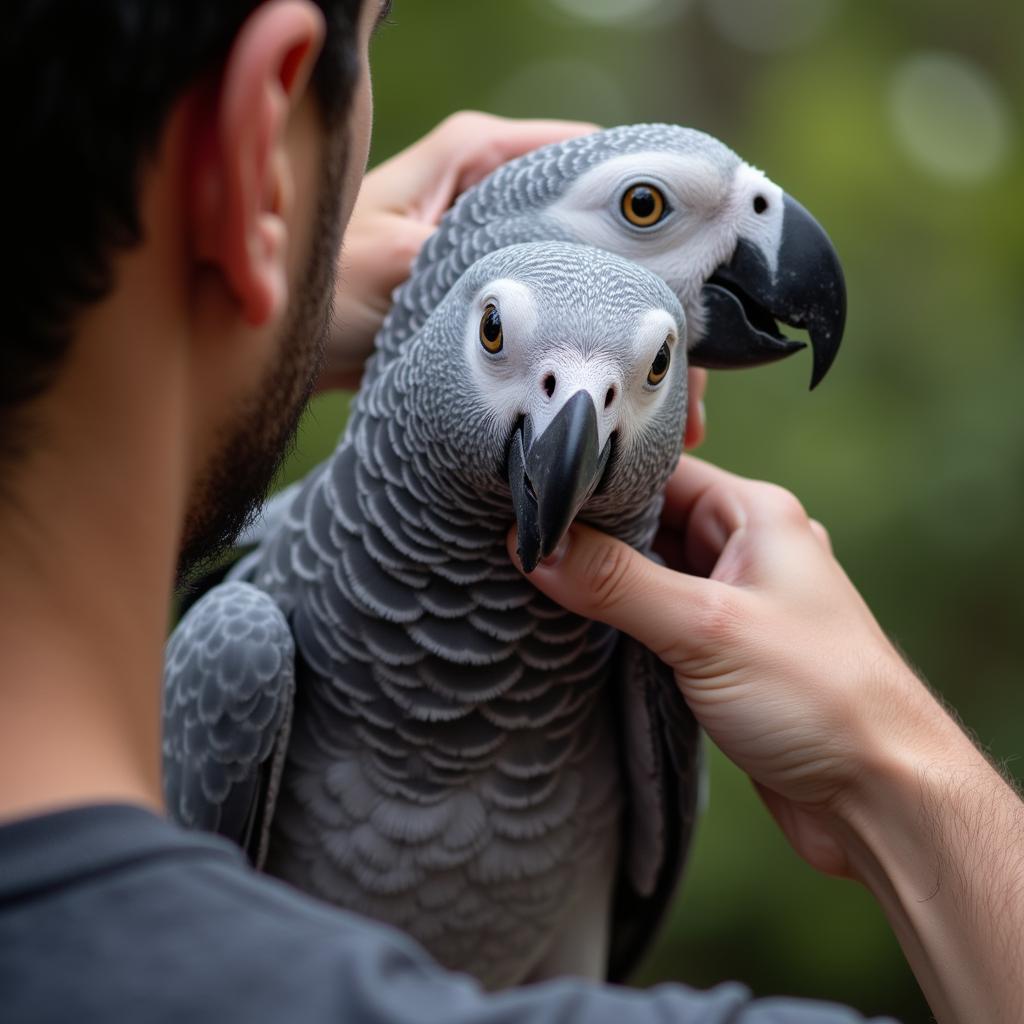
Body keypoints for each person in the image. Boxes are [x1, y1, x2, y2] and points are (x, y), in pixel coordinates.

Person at [0, 1, 1020, 1022]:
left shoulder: (655, 654)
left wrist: (243, 315)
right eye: (641, 212)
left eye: (647, 360)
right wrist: (901, 768)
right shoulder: (248, 648)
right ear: (249, 147)